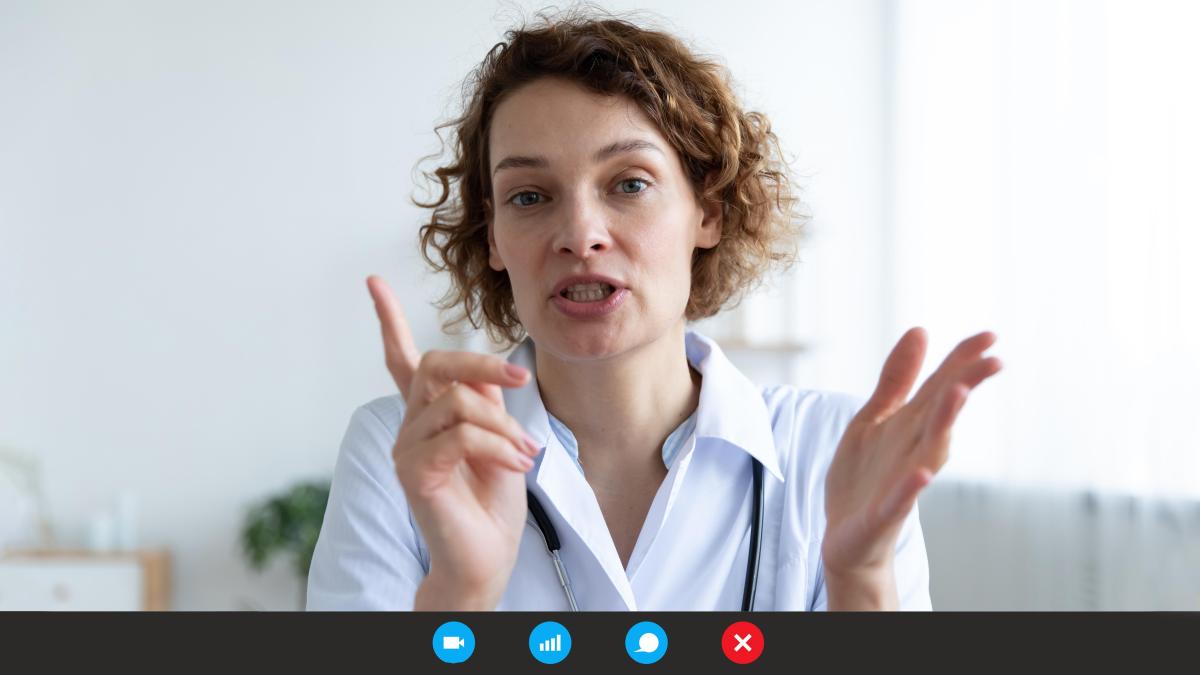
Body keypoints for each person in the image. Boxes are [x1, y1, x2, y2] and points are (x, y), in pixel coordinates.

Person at [306, 10, 1002, 611]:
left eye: (629, 183)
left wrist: (861, 578)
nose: (580, 234)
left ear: (709, 212)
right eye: (529, 196)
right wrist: (459, 592)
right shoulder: (401, 450)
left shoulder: (830, 451)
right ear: (493, 237)